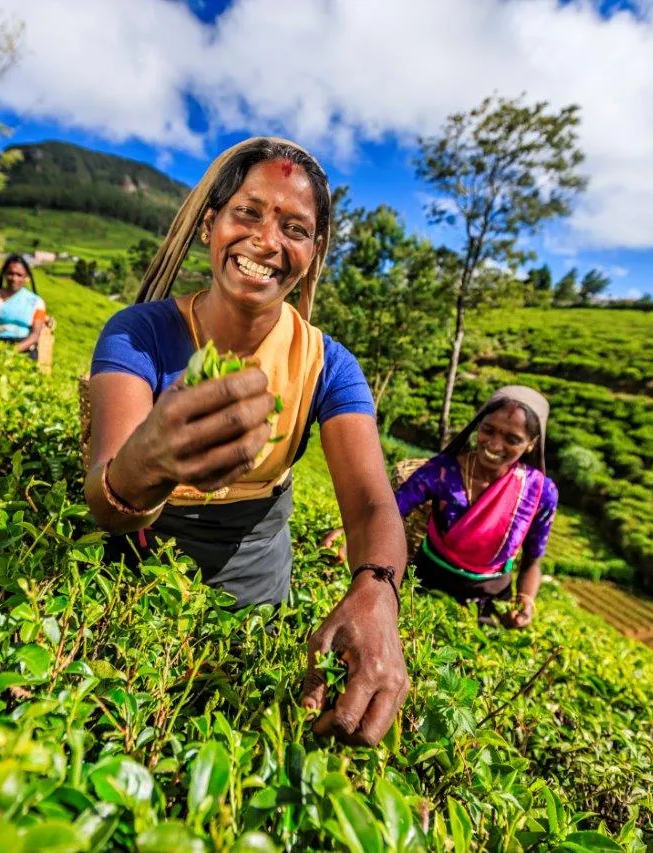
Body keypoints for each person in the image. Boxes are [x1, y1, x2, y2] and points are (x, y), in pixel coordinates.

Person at [86, 137, 409, 746]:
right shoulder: (140, 336)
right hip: (139, 555)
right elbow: (106, 501)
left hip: (256, 563)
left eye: (295, 227)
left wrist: (376, 591)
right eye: (248, 213)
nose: (267, 241)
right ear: (211, 224)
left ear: (311, 255)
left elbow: (370, 503)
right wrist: (148, 462)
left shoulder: (327, 366)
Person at [394, 386, 558, 628]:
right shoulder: (443, 471)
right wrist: (349, 535)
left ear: (532, 444)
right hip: (423, 589)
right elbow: (391, 510)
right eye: (488, 430)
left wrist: (525, 603)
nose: (494, 444)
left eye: (512, 439)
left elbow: (532, 561)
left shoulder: (540, 492)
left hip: (487, 607)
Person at [0, 254, 50, 359]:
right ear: (4, 274)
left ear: (26, 277)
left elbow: (35, 335)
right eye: (10, 274)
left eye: (19, 275)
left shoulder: (36, 302)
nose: (14, 278)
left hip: (24, 350)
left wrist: (12, 351)